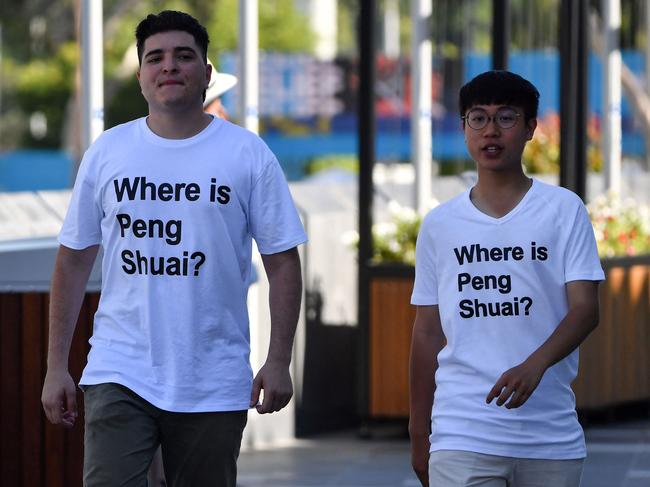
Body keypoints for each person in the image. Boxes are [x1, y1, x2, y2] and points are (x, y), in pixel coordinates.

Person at [41, 10, 306, 487]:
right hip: (118, 369)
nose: (169, 67)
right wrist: (56, 366)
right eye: (155, 57)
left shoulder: (247, 154)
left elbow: (283, 262)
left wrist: (278, 359)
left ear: (206, 74)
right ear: (141, 74)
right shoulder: (107, 152)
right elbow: (73, 259)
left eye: (184, 56)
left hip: (213, 377)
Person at [409, 70, 604, 487]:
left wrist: (535, 365)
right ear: (463, 128)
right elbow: (427, 331)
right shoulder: (440, 224)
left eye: (506, 117)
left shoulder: (563, 209)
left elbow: (586, 310)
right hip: (461, 432)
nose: (490, 130)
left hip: (549, 435)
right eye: (477, 118)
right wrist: (418, 429)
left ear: (531, 127)